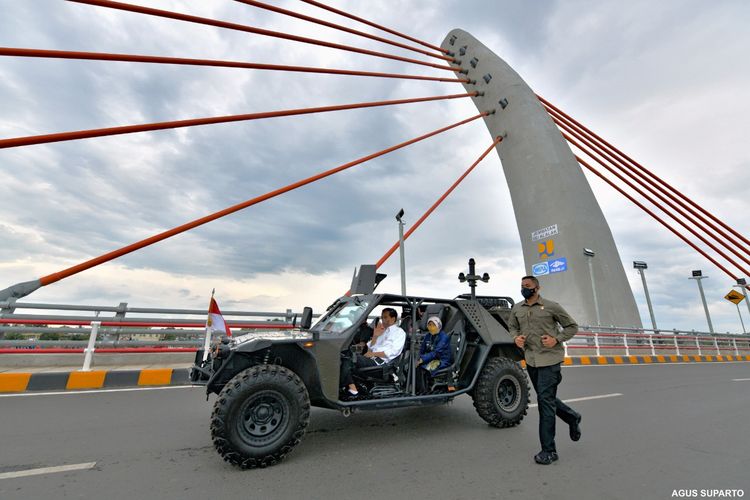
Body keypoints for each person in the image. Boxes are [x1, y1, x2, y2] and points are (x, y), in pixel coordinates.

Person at [509, 275, 582, 465]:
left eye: (528, 286)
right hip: (531, 360)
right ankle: (572, 416)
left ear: (537, 288)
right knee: (546, 398)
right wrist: (516, 338)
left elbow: (572, 326)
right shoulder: (517, 308)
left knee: (544, 403)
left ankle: (549, 450)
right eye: (522, 286)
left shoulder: (551, 306)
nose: (524, 288)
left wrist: (556, 339)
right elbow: (512, 327)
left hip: (550, 360)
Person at [340, 308, 406, 398]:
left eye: (385, 317)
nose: (383, 320)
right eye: (382, 317)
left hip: (382, 365)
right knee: (343, 354)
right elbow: (370, 347)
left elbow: (393, 352)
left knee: (349, 356)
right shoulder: (383, 332)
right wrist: (375, 336)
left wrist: (373, 354)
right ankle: (349, 387)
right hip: (371, 360)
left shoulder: (399, 332)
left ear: (393, 318)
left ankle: (351, 389)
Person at [416, 316, 452, 393]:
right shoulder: (428, 336)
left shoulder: (443, 337)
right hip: (431, 357)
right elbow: (422, 350)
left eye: (433, 325)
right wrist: (417, 358)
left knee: (424, 368)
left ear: (438, 325)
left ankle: (424, 391)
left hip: (441, 360)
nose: (431, 327)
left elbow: (436, 353)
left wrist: (422, 360)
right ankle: (417, 388)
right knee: (415, 366)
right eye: (429, 325)